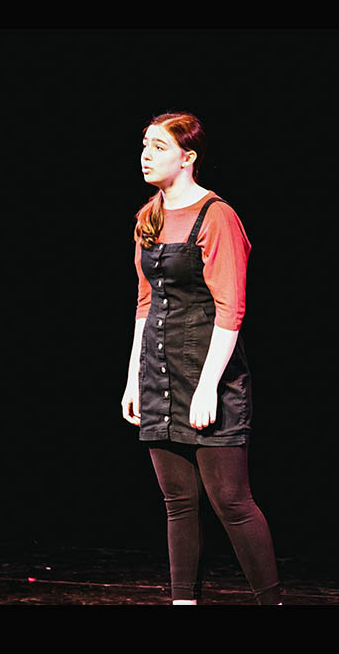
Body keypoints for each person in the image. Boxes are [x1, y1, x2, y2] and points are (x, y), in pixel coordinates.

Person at [120, 112, 282, 606]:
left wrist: (209, 383)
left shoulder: (218, 216)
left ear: (188, 157)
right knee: (177, 503)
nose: (147, 154)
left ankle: (271, 602)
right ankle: (183, 603)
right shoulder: (149, 215)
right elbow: (145, 303)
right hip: (158, 375)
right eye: (145, 145)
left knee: (231, 501)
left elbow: (231, 307)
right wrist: (132, 379)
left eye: (160, 147)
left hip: (210, 371)